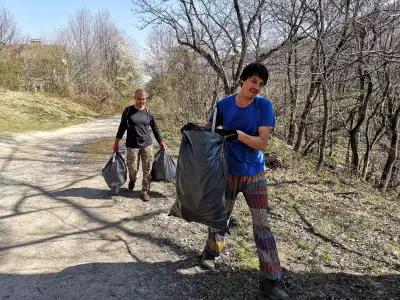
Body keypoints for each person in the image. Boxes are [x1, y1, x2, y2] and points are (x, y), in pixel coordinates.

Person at [199, 62, 289, 299]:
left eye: (261, 84)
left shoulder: (264, 106)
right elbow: (211, 133)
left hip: (254, 175)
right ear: (243, 80)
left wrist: (237, 134)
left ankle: (271, 280)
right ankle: (211, 252)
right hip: (227, 171)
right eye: (253, 81)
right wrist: (201, 133)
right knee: (220, 217)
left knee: (262, 226)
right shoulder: (224, 105)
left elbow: (262, 143)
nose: (257, 87)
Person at [113, 88, 166, 202]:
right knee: (132, 169)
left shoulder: (148, 112)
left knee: (147, 169)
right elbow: (122, 128)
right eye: (139, 99)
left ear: (146, 99)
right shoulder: (127, 111)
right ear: (134, 98)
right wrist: (116, 142)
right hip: (132, 146)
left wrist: (161, 141)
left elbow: (155, 128)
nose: (141, 101)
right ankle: (132, 180)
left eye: (143, 99)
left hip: (147, 145)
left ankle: (145, 191)